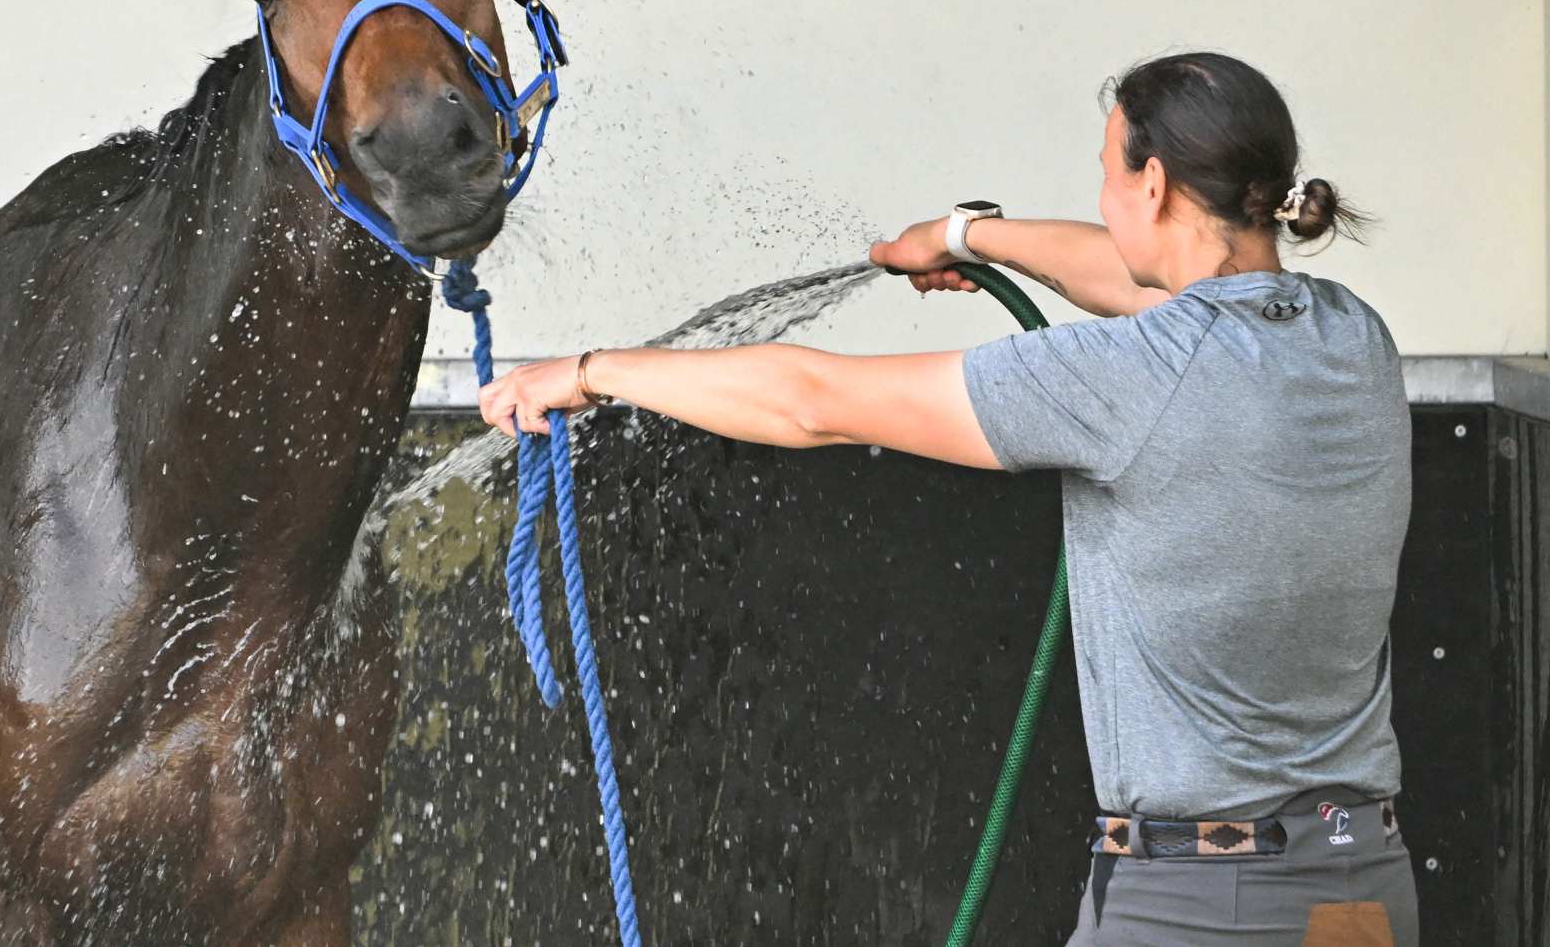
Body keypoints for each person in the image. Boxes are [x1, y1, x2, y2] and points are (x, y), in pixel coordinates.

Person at [479, 51, 1418, 946]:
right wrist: (966, 235)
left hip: (1197, 905)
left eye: (1105, 172)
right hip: (1361, 881)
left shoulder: (1133, 375)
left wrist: (592, 372)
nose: (1100, 198)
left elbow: (814, 404)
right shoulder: (1351, 338)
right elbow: (1153, 286)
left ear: (1154, 184)